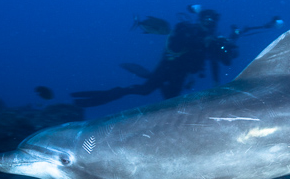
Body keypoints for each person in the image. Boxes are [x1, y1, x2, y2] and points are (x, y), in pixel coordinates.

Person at [71, 8, 240, 107]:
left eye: (212, 21)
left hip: (181, 75)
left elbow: (216, 61)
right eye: (206, 19)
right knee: (145, 90)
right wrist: (201, 40)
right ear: (200, 19)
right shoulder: (186, 28)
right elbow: (178, 42)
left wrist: (216, 82)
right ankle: (95, 99)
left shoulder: (212, 40)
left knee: (171, 103)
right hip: (168, 68)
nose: (209, 23)